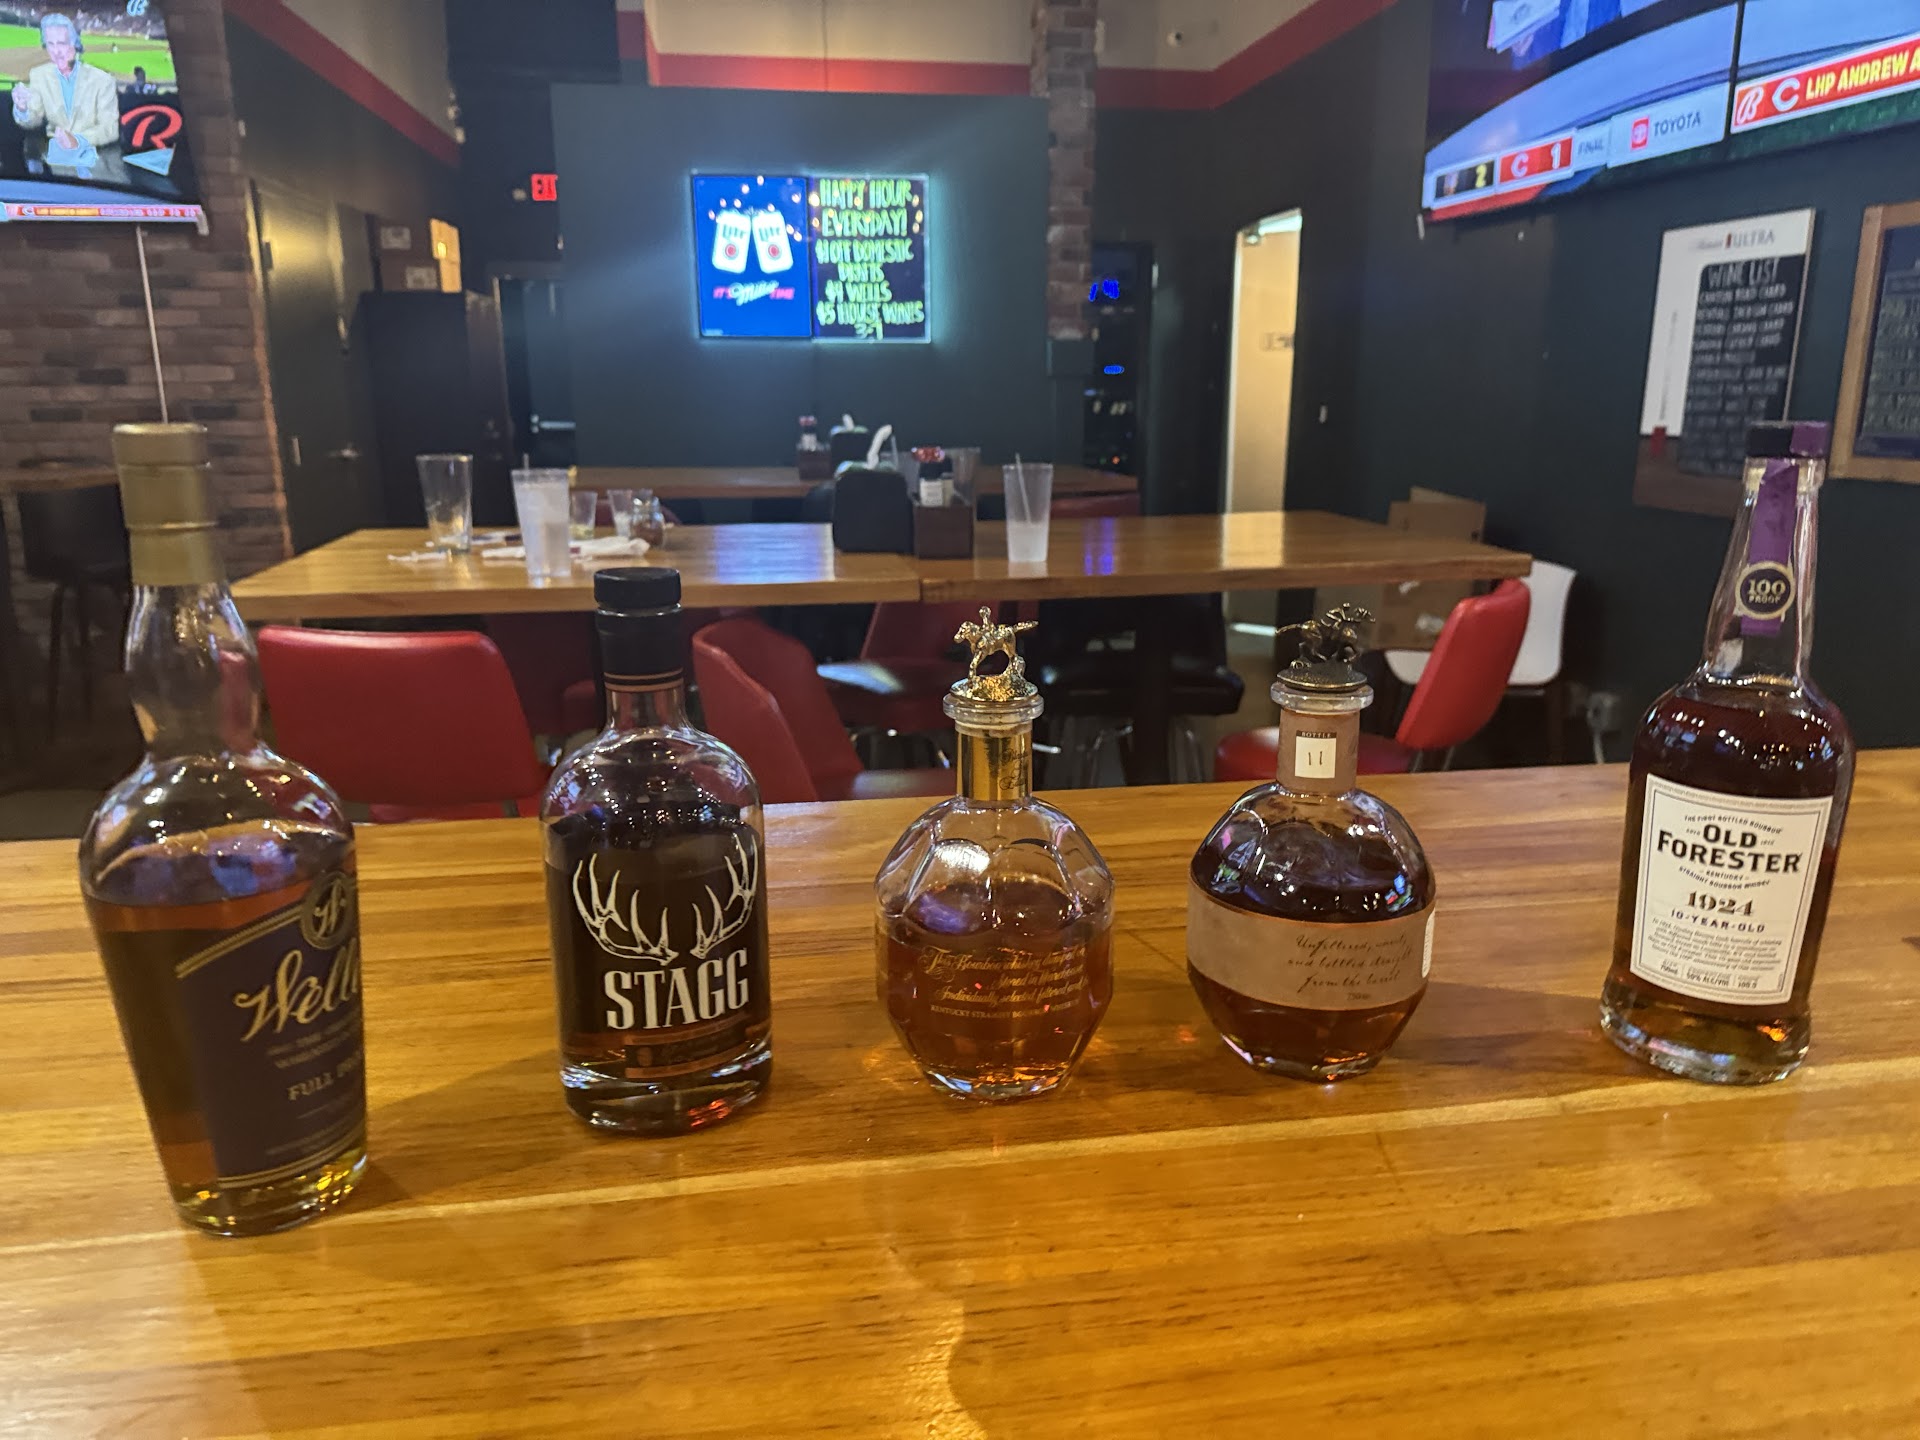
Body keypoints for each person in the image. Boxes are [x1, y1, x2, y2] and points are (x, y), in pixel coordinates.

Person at [11, 13, 125, 182]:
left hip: (100, 166)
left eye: (62, 43)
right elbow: (33, 120)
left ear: (75, 43)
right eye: (50, 44)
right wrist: (23, 109)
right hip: (58, 167)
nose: (56, 52)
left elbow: (110, 129)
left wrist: (78, 141)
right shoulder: (39, 75)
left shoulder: (103, 80)